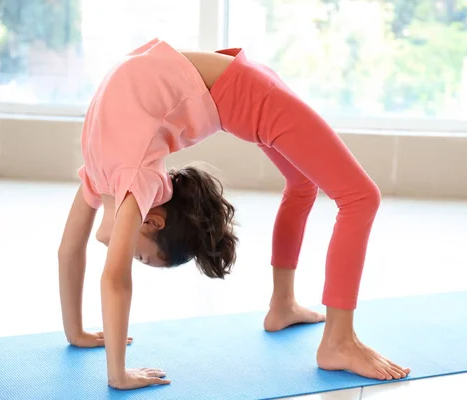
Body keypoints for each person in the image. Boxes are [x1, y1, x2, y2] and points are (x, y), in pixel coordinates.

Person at [57, 38, 410, 390]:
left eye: (141, 256)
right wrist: (76, 333)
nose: (128, 254)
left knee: (360, 197)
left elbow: (114, 279)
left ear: (153, 221)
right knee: (302, 185)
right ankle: (282, 304)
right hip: (236, 84)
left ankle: (338, 339)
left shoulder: (133, 180)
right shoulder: (100, 172)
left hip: (247, 91)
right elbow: (69, 251)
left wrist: (118, 375)